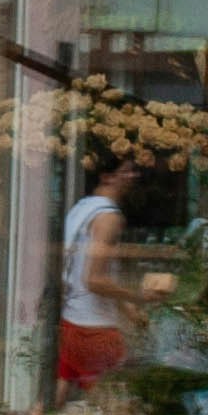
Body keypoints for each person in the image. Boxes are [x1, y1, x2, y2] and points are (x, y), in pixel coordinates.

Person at [56, 160, 137, 390]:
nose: (133, 176)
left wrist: (128, 309)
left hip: (71, 321)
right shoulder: (109, 217)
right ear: (106, 176)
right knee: (113, 409)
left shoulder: (81, 209)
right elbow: (94, 280)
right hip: (96, 329)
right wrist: (138, 297)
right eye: (127, 171)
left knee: (58, 393)